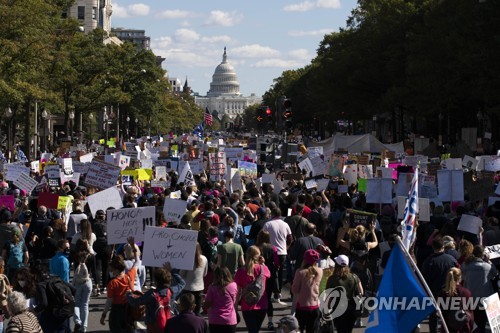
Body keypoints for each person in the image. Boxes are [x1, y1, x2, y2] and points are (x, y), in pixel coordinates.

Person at [126, 265, 185, 333]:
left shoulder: (151, 294)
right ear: (169, 281)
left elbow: (135, 302)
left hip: (153, 326)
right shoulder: (172, 291)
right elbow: (182, 283)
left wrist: (128, 294)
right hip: (169, 324)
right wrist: (172, 271)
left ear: (156, 282)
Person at [100, 237, 140, 333]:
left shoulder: (112, 283)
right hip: (128, 310)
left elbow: (109, 301)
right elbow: (137, 261)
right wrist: (132, 245)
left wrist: (104, 314)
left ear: (116, 269)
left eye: (112, 270)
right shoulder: (130, 275)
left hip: (116, 312)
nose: (111, 272)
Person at [422, 237, 458, 333]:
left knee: (433, 316)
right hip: (449, 291)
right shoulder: (451, 260)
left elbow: (424, 278)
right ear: (443, 246)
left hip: (434, 292)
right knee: (448, 314)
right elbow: (457, 274)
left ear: (433, 247)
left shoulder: (429, 261)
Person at [461, 245, 498, 333]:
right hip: (484, 298)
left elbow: (462, 276)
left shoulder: (465, 265)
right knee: (482, 322)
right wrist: (489, 261)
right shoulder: (487, 267)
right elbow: (495, 273)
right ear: (483, 255)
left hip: (470, 298)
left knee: (471, 323)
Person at [234, 245, 271, 333]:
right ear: (258, 256)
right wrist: (263, 263)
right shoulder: (263, 268)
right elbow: (269, 275)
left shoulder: (241, 271)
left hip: (247, 305)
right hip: (262, 304)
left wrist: (235, 308)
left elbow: (237, 292)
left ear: (246, 255)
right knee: (256, 330)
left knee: (252, 330)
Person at [326, 255, 363, 333]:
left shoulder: (332, 279)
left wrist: (327, 308)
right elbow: (361, 292)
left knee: (341, 330)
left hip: (338, 309)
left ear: (336, 264)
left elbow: (328, 295)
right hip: (352, 309)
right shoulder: (354, 277)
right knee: (349, 330)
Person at [262, 207, 292, 303]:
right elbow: (290, 238)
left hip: (270, 252)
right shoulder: (285, 224)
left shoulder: (268, 224)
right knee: (279, 273)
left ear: (272, 214)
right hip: (283, 252)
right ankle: (278, 292)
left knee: (272, 273)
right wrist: (286, 247)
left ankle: (275, 292)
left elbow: (263, 237)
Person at [291, 249, 322, 333]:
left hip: (302, 306)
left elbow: (295, 290)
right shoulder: (320, 271)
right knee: (312, 330)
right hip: (315, 305)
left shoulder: (300, 272)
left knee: (299, 329)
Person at [255, 230, 280, 330]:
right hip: (269, 275)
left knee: (257, 298)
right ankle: (270, 321)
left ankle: (256, 320)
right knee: (268, 299)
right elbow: (277, 262)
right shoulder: (273, 248)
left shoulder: (256, 248)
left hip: (257, 275)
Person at [203, 267, 238, 333]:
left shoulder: (212, 287)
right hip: (230, 320)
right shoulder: (234, 285)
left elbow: (206, 305)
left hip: (215, 320)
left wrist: (205, 299)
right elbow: (234, 300)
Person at [439, 267, 474, 333]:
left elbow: (441, 313)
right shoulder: (466, 292)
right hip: (463, 328)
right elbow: (470, 314)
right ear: (460, 278)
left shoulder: (443, 293)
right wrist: (470, 328)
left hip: (447, 328)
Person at [180, 243, 208, 315]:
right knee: (197, 312)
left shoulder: (187, 259)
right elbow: (205, 274)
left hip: (187, 288)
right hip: (199, 288)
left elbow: (181, 274)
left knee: (186, 311)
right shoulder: (204, 259)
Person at [73, 250, 92, 333]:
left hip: (77, 282)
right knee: (85, 304)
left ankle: (78, 321)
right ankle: (84, 326)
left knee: (76, 303)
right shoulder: (91, 258)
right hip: (87, 282)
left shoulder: (76, 260)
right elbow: (95, 270)